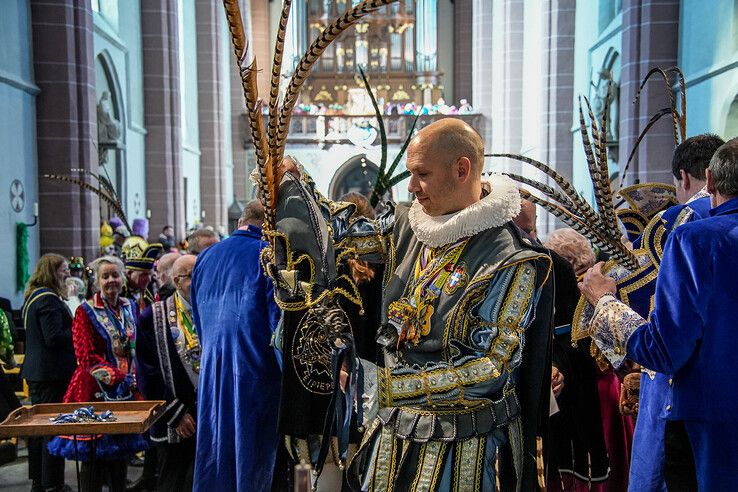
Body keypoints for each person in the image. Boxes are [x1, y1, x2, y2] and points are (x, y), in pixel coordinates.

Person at [276, 118, 554, 490]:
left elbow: (492, 368)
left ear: (461, 169)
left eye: (422, 173)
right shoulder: (407, 224)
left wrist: (385, 385)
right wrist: (295, 183)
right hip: (392, 436)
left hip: (464, 450)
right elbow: (338, 235)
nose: (411, 187)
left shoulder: (510, 258)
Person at [580, 137, 738, 491]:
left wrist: (605, 306)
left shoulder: (691, 237)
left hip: (708, 426)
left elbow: (666, 349)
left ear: (709, 179)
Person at [621, 133, 724, 492]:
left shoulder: (683, 226)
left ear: (686, 178)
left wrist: (603, 304)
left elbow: (660, 333)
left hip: (688, 397)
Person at [190, 200, 281, 491]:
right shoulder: (267, 255)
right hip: (255, 375)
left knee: (216, 456)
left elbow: (199, 321)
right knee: (250, 461)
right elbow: (277, 328)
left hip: (212, 374)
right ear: (269, 225)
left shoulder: (205, 258)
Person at [47, 256, 147, 492]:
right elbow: (86, 357)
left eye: (115, 275)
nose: (111, 280)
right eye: (105, 276)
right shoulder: (85, 311)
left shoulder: (129, 306)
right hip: (94, 393)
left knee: (120, 457)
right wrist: (119, 376)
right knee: (95, 460)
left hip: (127, 393)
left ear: (123, 278)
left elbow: (137, 346)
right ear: (96, 281)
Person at [136, 255, 199, 492]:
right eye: (191, 276)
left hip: (209, 415)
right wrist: (175, 413)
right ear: (176, 280)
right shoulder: (153, 316)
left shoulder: (212, 309)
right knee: (173, 481)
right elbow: (147, 373)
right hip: (175, 417)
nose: (198, 280)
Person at [21, 253, 76, 492]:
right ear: (51, 272)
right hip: (50, 375)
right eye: (63, 270)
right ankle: (52, 482)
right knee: (52, 429)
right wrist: (77, 327)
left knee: (40, 431)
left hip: (42, 373)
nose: (67, 274)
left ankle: (40, 481)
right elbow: (53, 338)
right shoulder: (48, 300)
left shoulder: (35, 296)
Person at [120, 236, 162, 318]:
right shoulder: (119, 293)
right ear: (129, 273)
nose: (149, 279)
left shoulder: (148, 292)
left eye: (150, 274)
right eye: (144, 274)